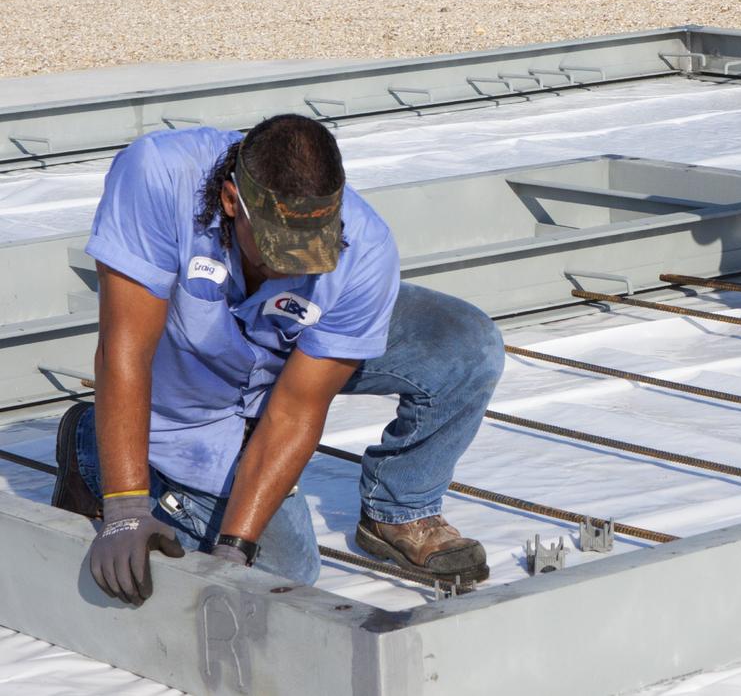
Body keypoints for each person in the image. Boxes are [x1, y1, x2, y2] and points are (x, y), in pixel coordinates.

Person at [51, 114, 504, 606]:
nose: (289, 270)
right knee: (289, 569)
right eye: (275, 254)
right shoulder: (160, 175)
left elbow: (296, 409)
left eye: (307, 257)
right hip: (189, 372)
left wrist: (233, 553)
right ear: (230, 202)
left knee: (466, 346)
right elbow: (126, 350)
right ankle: (93, 451)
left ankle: (398, 510)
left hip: (282, 359)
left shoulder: (365, 248)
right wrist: (124, 507)